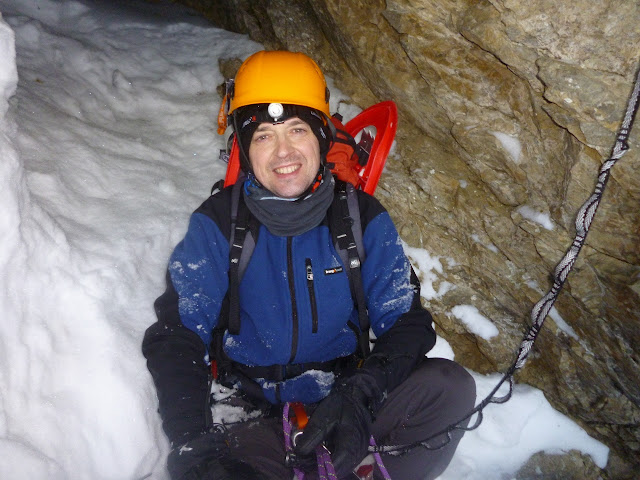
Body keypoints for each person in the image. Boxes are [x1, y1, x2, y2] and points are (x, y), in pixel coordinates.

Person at [142, 50, 476, 480]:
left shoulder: (361, 218)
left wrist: (361, 393)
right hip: (251, 413)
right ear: (244, 148)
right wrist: (193, 444)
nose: (283, 152)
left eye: (297, 129)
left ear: (321, 135)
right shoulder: (217, 224)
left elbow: (408, 323)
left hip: (344, 400)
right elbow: (177, 335)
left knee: (448, 389)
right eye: (263, 135)